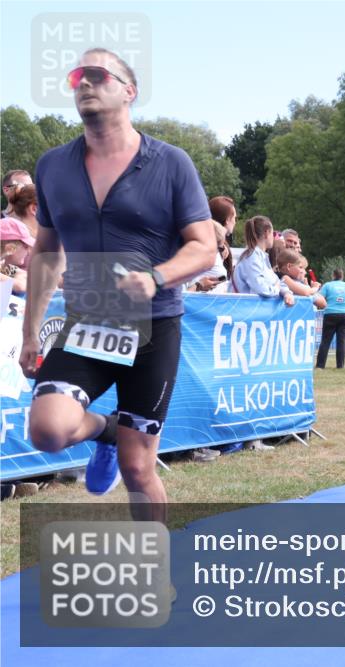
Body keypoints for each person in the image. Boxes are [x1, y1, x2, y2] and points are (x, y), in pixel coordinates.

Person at [19, 48, 216, 521]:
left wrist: (156, 276)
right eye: (77, 77)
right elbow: (46, 252)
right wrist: (30, 333)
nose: (84, 83)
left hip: (154, 327)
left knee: (138, 466)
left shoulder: (171, 163)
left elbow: (204, 247)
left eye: (97, 75)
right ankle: (107, 429)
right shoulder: (53, 166)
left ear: (129, 91)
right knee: (46, 430)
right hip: (88, 324)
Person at [232, 216, 295, 306]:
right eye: (273, 233)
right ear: (267, 233)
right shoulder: (251, 257)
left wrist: (286, 293)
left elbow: (276, 282)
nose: (273, 237)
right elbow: (261, 289)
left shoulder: (260, 257)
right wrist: (277, 289)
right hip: (247, 309)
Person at [1, 218, 33, 295]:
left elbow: (24, 275)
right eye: (26, 247)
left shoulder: (3, 263)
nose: (29, 252)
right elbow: (20, 286)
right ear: (10, 248)